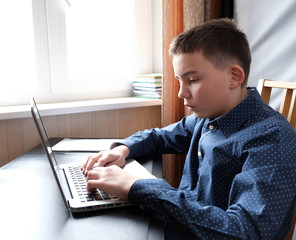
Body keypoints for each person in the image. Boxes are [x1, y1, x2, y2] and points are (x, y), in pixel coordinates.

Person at [82, 19, 296, 239]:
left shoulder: (272, 138)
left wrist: (139, 187)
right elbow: (160, 137)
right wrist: (123, 149)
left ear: (234, 77)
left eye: (192, 80)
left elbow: (244, 232)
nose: (181, 93)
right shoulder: (211, 115)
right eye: (179, 81)